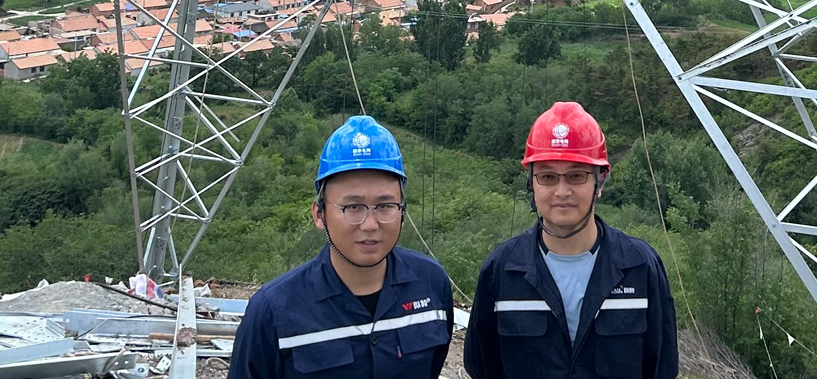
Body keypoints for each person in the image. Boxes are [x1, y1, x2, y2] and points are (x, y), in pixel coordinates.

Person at [464, 101, 678, 379]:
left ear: (600, 182)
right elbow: (482, 367)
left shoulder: (640, 267)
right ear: (531, 182)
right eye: (548, 176)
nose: (562, 191)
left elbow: (661, 367)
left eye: (576, 175)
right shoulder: (501, 270)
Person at [230, 115, 454, 379]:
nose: (370, 224)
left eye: (385, 206)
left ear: (402, 211)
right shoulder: (273, 311)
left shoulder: (431, 283)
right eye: (353, 207)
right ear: (319, 214)